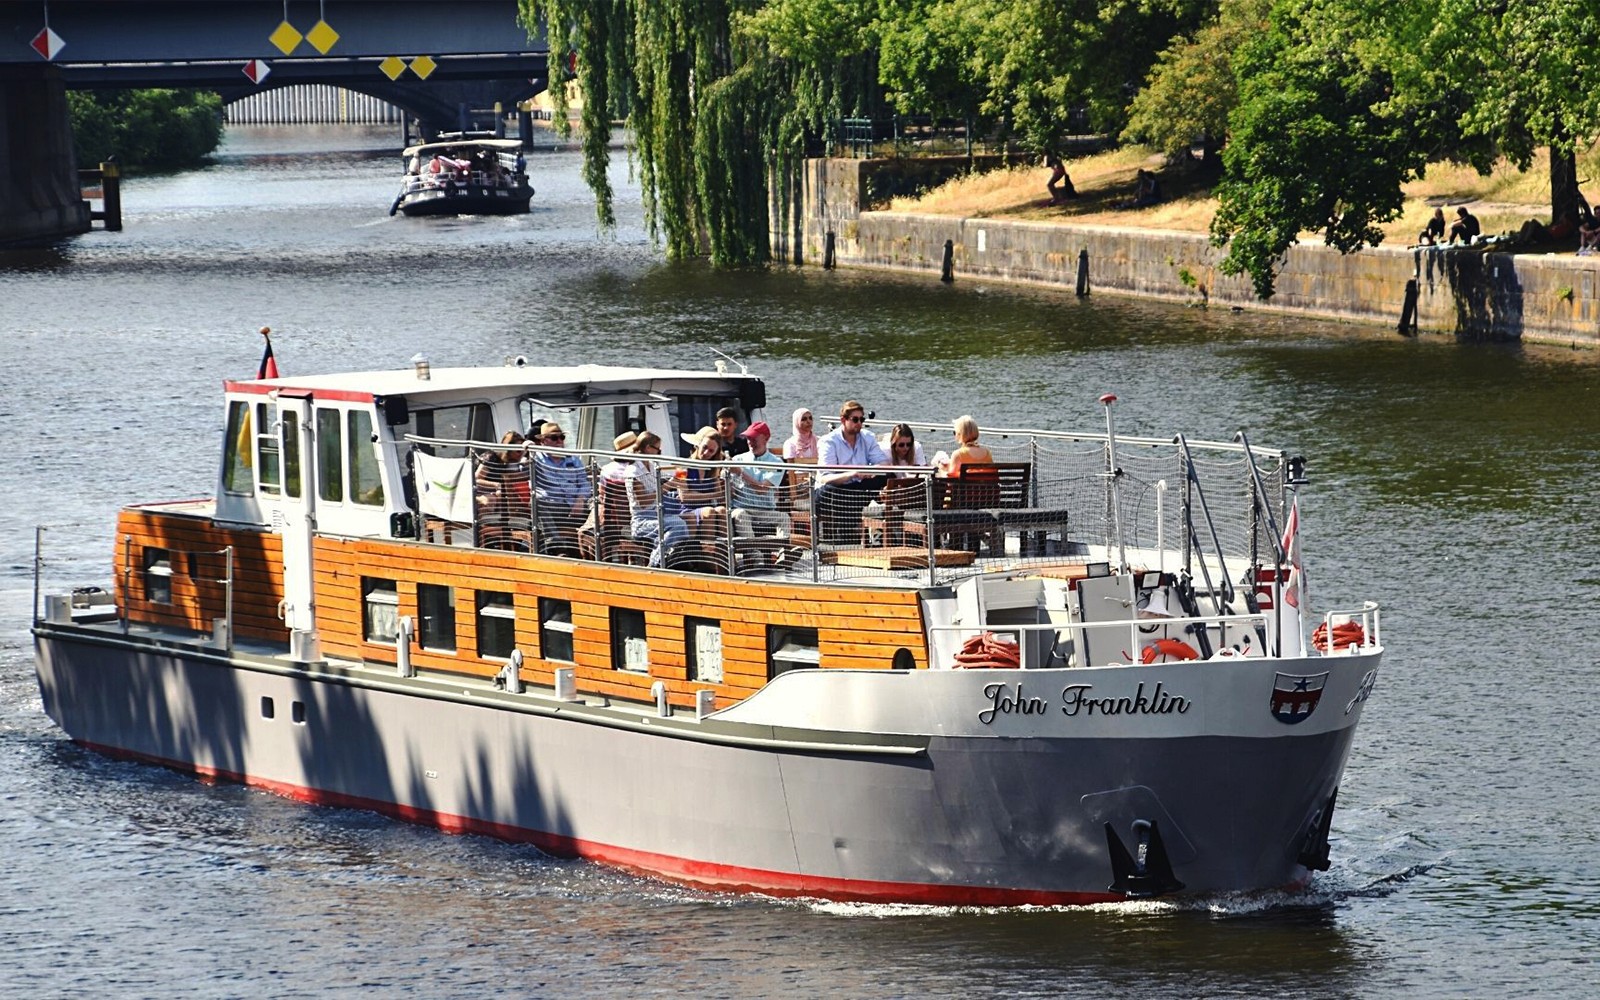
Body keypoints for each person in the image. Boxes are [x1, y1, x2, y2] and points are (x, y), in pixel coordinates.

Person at [814, 400, 889, 542]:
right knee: (836, 491)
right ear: (843, 420)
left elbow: (884, 463)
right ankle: (854, 531)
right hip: (833, 489)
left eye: (862, 419)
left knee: (884, 478)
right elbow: (825, 477)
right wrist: (851, 474)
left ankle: (863, 530)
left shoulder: (868, 437)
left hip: (857, 487)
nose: (859, 423)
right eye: (855, 419)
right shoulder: (828, 441)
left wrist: (871, 470)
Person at [623, 431, 688, 566]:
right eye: (658, 449)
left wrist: (675, 482)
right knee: (678, 525)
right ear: (648, 448)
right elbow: (644, 502)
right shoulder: (633, 472)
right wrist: (669, 485)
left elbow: (659, 486)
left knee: (683, 522)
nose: (659, 452)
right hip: (642, 521)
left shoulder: (651, 466)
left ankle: (672, 560)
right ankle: (656, 562)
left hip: (657, 515)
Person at [530, 421, 591, 553]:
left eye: (561, 437)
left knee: (597, 503)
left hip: (576, 504)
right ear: (543, 441)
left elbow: (585, 483)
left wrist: (580, 500)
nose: (559, 441)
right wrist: (527, 446)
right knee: (537, 502)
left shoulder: (574, 459)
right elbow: (521, 463)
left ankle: (596, 546)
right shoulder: (535, 459)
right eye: (554, 438)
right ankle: (556, 547)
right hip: (553, 506)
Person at [729, 421, 790, 539]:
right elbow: (729, 490)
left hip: (765, 510)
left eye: (754, 438)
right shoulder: (737, 459)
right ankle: (754, 549)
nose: (750, 442)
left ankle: (783, 549)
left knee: (784, 517)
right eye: (748, 438)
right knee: (740, 514)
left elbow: (762, 489)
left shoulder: (777, 463)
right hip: (741, 508)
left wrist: (740, 473)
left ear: (766, 438)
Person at [474, 431, 531, 549]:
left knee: (516, 503)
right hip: (479, 491)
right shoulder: (491, 457)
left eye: (522, 451)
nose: (520, 454)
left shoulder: (512, 462)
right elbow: (476, 479)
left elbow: (516, 478)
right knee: (493, 500)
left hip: (499, 494)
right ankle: (484, 533)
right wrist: (497, 485)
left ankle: (511, 541)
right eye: (518, 451)